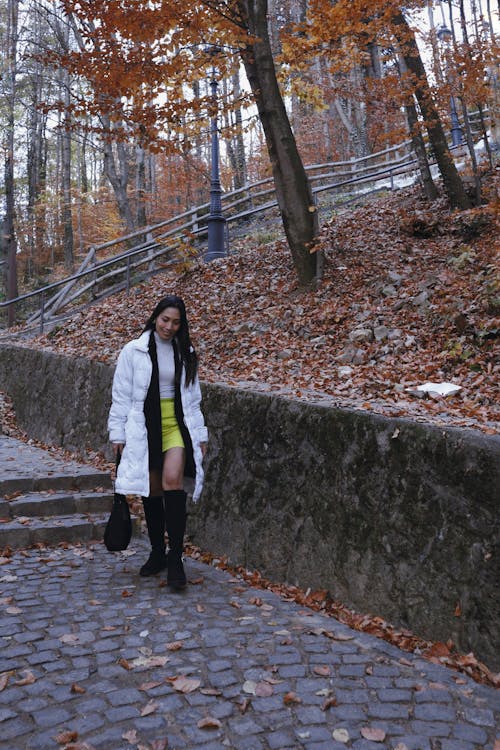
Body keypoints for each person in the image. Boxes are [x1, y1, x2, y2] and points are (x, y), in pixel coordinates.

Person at [108, 295, 208, 590]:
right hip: (144, 426)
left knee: (172, 480)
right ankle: (157, 553)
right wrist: (118, 434)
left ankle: (176, 559)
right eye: (165, 320)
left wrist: (200, 435)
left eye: (176, 322)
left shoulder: (185, 350)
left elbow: (194, 399)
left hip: (175, 424)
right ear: (155, 318)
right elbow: (121, 394)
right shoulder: (134, 350)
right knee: (151, 489)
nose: (169, 326)